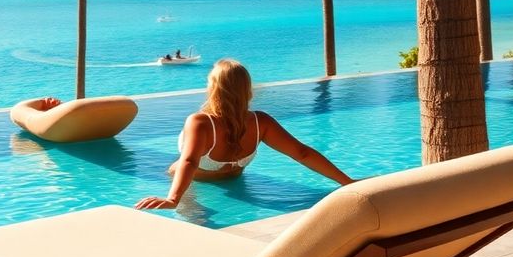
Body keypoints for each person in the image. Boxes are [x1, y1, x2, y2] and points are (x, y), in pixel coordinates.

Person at [135, 59, 354, 210]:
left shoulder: (201, 122)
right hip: (213, 185)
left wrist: (173, 199)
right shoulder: (260, 122)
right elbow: (301, 153)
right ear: (247, 89)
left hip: (194, 186)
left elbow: (191, 161)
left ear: (214, 89)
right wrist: (346, 181)